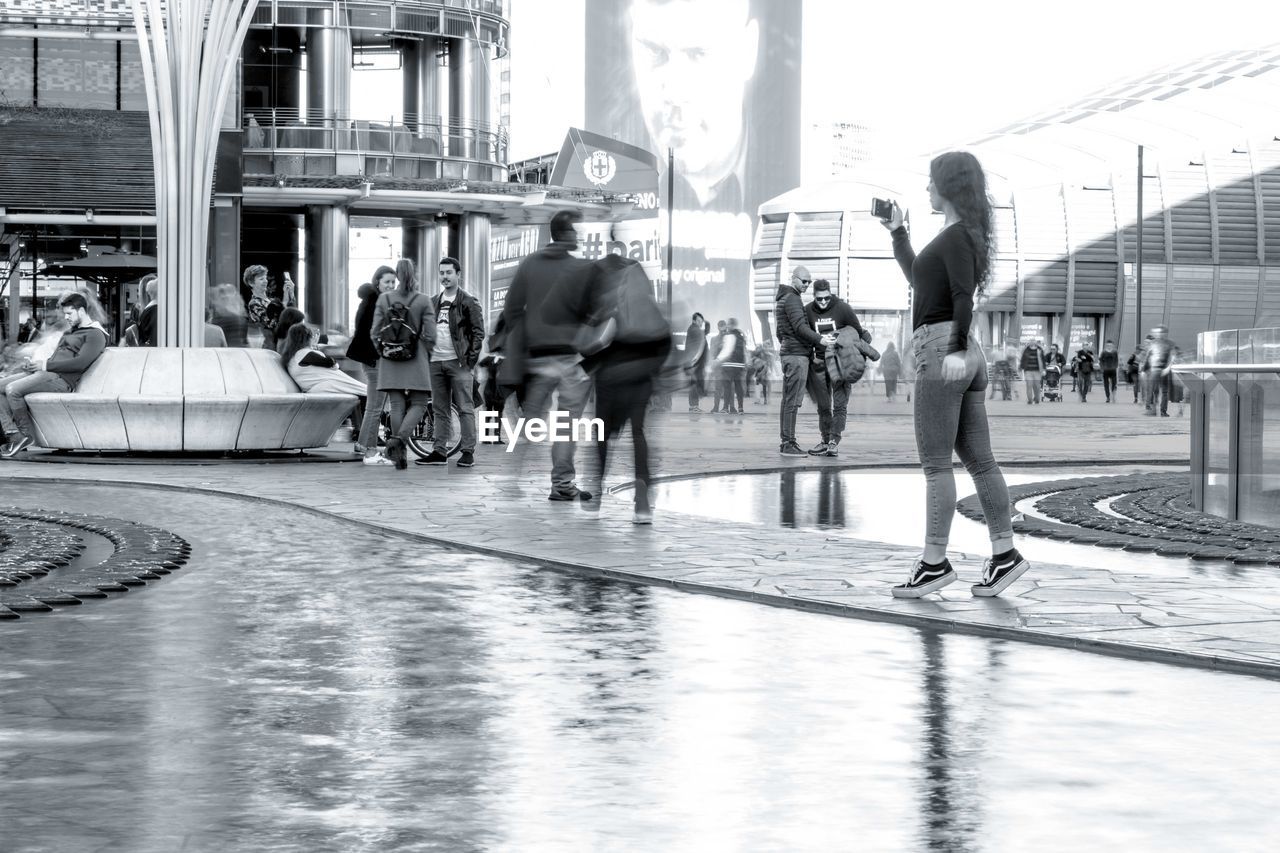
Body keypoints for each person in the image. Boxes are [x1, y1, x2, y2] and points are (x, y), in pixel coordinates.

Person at [881, 151, 1030, 598]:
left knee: (935, 466)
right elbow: (918, 281)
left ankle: (933, 563)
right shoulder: (955, 235)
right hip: (962, 353)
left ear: (947, 184)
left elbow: (964, 297)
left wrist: (954, 347)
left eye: (931, 182)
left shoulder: (959, 236)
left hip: (945, 349)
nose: (926, 189)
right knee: (980, 461)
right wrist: (898, 232)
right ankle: (1004, 557)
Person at [492, 209, 596, 502]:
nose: (578, 236)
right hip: (569, 360)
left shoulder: (531, 264)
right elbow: (593, 314)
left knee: (530, 421)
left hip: (537, 358)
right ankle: (562, 485)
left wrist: (527, 338)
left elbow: (511, 310)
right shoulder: (580, 269)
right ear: (566, 234)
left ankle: (510, 478)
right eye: (575, 231)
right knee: (566, 425)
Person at [582, 250, 672, 523]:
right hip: (641, 383)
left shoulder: (612, 309)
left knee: (602, 436)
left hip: (611, 382)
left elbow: (596, 347)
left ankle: (596, 490)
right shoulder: (650, 310)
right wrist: (654, 374)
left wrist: (582, 367)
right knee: (639, 436)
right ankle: (642, 502)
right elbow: (664, 346)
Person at [0, 291, 110, 458]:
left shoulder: (95, 334)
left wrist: (44, 364)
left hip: (62, 380)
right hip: (47, 373)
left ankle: (25, 436)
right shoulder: (70, 332)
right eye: (65, 313)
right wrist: (34, 365)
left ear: (81, 311)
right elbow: (56, 357)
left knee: (12, 389)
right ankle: (13, 434)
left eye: (69, 313)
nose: (66, 317)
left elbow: (80, 363)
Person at [418, 256, 484, 468]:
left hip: (459, 363)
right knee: (440, 409)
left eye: (448, 272)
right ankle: (439, 451)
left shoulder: (468, 301)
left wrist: (469, 361)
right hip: (435, 362)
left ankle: (467, 451)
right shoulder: (432, 302)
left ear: (458, 274)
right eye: (442, 273)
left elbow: (478, 333)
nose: (444, 277)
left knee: (465, 407)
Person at [371, 258, 435, 470]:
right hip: (416, 357)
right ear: (414, 273)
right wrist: (427, 352)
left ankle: (399, 453)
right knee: (419, 403)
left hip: (389, 358)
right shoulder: (423, 300)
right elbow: (431, 335)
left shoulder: (384, 299)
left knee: (397, 405)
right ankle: (398, 441)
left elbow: (374, 333)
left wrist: (384, 351)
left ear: (397, 275)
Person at [804, 278, 869, 456]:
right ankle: (825, 441)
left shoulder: (843, 308)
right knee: (823, 406)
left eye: (826, 298)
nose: (823, 302)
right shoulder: (808, 311)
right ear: (814, 296)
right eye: (819, 299)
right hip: (819, 364)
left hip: (840, 364)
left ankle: (833, 441)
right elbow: (805, 336)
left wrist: (858, 357)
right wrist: (811, 357)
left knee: (839, 405)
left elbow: (859, 332)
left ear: (830, 294)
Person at [347, 265, 397, 465]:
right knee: (375, 407)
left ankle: (363, 444)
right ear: (378, 282)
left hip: (373, 360)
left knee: (374, 406)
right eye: (387, 282)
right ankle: (370, 450)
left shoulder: (374, 301)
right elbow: (372, 334)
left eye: (393, 282)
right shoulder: (376, 303)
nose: (391, 286)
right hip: (376, 360)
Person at [775, 265, 823, 456]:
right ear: (793, 279)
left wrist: (788, 344)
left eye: (809, 282)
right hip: (796, 357)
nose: (806, 285)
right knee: (793, 401)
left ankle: (786, 441)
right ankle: (788, 443)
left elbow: (781, 332)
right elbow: (800, 328)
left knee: (787, 400)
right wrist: (820, 339)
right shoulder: (793, 299)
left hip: (789, 354)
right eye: (804, 281)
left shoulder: (783, 299)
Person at [280, 323, 367, 402]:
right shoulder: (303, 353)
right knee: (363, 392)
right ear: (307, 338)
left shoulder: (292, 357)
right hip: (325, 386)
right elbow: (331, 363)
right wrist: (314, 347)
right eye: (312, 336)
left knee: (360, 392)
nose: (314, 338)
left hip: (318, 387)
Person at [243, 264, 296, 351]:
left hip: (284, 344)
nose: (265, 281)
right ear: (251, 283)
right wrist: (285, 301)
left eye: (265, 278)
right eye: (261, 279)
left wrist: (290, 294)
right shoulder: (254, 303)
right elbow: (272, 324)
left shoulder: (272, 300)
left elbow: (292, 315)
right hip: (271, 348)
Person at [712, 317, 748, 415]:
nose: (727, 326)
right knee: (738, 386)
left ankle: (725, 408)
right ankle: (740, 408)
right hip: (739, 365)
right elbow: (745, 350)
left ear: (731, 325)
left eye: (728, 324)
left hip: (729, 364)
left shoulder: (729, 335)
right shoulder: (741, 335)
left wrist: (717, 360)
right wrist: (745, 363)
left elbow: (727, 350)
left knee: (727, 387)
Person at [1143, 325, 1177, 417]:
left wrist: (1168, 368)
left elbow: (1173, 357)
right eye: (1157, 332)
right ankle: (1151, 409)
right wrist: (1144, 369)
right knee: (1152, 390)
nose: (1159, 334)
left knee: (1164, 391)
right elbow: (1148, 357)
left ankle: (1163, 411)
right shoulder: (1152, 343)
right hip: (1154, 369)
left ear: (1165, 333)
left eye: (1161, 332)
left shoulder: (1170, 343)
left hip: (1164, 370)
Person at [684, 313, 708, 412]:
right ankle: (693, 406)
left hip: (693, 362)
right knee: (694, 384)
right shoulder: (695, 329)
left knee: (694, 383)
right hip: (694, 363)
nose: (700, 322)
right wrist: (695, 360)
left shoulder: (693, 329)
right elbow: (698, 347)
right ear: (694, 321)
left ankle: (694, 405)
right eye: (698, 321)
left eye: (701, 321)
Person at [708, 319, 728, 413]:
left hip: (727, 366)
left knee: (725, 388)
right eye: (721, 329)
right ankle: (716, 407)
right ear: (718, 328)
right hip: (719, 367)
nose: (723, 331)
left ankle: (724, 407)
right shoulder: (714, 339)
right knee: (718, 388)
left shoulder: (729, 339)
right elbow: (711, 353)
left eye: (724, 329)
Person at [1019, 339, 1045, 404]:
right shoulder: (1026, 350)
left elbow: (1043, 360)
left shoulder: (1040, 350)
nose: (1032, 342)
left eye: (1033, 341)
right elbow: (1023, 359)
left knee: (1037, 386)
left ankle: (1037, 398)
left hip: (1037, 371)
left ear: (1036, 343)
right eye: (1031, 341)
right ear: (1029, 342)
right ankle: (1030, 400)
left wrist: (1044, 369)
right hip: (1028, 371)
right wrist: (1021, 367)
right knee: (1029, 385)